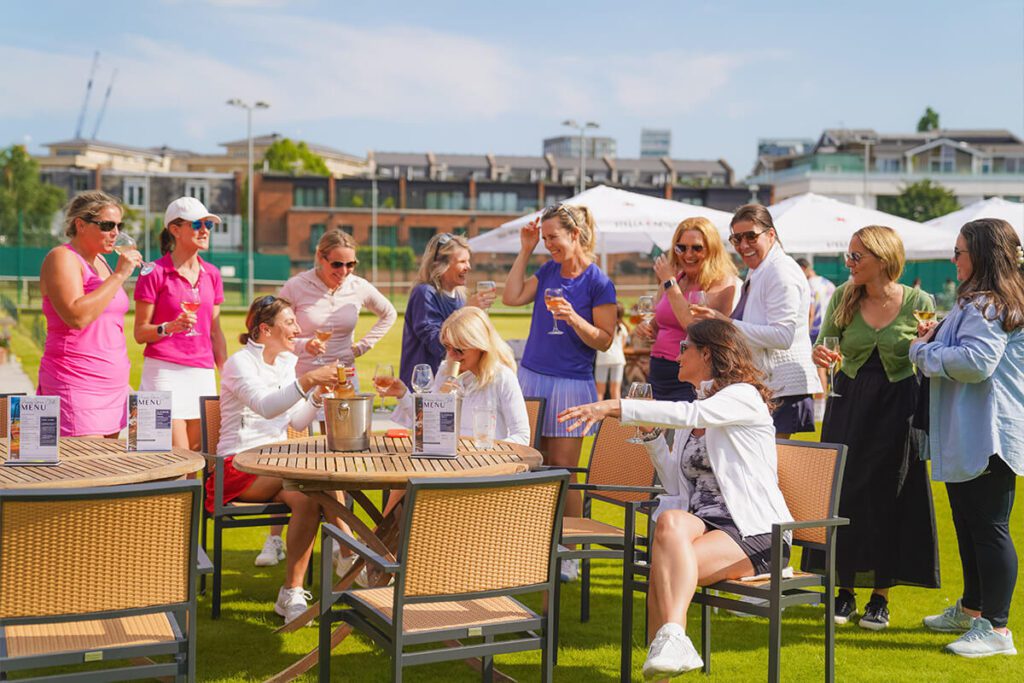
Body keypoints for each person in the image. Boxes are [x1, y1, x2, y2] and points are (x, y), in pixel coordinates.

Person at [557, 318, 793, 680]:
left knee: (663, 570)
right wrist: (653, 437)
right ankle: (674, 640)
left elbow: (693, 415)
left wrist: (615, 406)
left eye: (685, 348)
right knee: (669, 523)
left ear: (708, 354)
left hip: (755, 531)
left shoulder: (741, 396)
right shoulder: (697, 405)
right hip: (705, 524)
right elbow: (674, 483)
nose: (677, 355)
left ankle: (666, 662)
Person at [807, 226, 939, 630]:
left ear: (883, 259)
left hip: (899, 406)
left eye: (855, 256)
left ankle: (880, 597)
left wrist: (926, 341)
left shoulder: (919, 301)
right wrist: (820, 354)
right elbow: (823, 346)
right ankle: (844, 590)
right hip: (848, 403)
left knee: (891, 493)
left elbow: (929, 350)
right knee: (845, 493)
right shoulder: (843, 297)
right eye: (848, 255)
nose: (848, 263)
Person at [910, 218, 1024, 658]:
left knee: (989, 529)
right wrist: (936, 338)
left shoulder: (988, 305)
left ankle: (996, 628)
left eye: (958, 251)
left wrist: (922, 351)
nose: (953, 259)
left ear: (980, 254)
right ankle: (972, 609)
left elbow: (977, 363)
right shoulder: (979, 302)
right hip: (971, 429)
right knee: (970, 525)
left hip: (988, 434)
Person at [207, 295, 343, 624]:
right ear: (265, 330)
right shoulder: (240, 363)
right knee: (315, 477)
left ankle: (291, 593)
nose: (298, 329)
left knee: (309, 500)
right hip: (237, 465)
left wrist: (317, 395)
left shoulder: (286, 362)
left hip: (277, 465)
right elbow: (266, 407)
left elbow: (295, 420)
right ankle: (352, 553)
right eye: (290, 322)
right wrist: (308, 380)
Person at [502, 203, 617, 581]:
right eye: (544, 238)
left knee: (565, 471)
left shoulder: (599, 282)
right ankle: (534, 547)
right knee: (532, 466)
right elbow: (511, 297)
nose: (548, 244)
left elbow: (604, 340)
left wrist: (573, 318)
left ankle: (570, 553)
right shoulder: (547, 270)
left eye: (553, 237)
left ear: (575, 234)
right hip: (532, 378)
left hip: (571, 384)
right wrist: (525, 250)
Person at [693, 204, 820, 438]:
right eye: (737, 239)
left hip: (782, 388)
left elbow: (782, 336)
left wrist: (725, 323)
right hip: (766, 386)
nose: (743, 245)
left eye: (751, 236)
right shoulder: (760, 268)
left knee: (774, 460)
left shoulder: (780, 271)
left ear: (771, 235)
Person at [37, 191, 142, 437]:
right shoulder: (62, 257)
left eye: (119, 226)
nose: (115, 233)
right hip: (77, 382)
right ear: (80, 225)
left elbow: (109, 327)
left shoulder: (102, 262)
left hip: (114, 386)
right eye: (107, 225)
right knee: (88, 460)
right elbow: (76, 317)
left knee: (111, 461)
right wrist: (120, 276)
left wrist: (123, 383)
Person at [134, 197, 228, 451]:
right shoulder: (153, 271)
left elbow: (215, 332)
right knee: (179, 453)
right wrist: (168, 327)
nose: (205, 230)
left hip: (202, 373)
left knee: (200, 454)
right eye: (197, 224)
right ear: (175, 229)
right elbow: (140, 333)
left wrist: (227, 375)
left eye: (208, 224)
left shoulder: (213, 274)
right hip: (164, 372)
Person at [384, 306, 530, 444]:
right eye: (447, 347)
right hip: (448, 456)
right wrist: (403, 394)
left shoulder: (502, 377)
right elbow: (427, 422)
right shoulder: (446, 371)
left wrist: (485, 449)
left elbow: (522, 436)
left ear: (480, 346)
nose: (452, 355)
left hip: (488, 459)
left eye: (459, 350)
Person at [636, 217, 739, 402]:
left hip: (692, 375)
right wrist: (647, 329)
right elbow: (659, 324)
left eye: (697, 248)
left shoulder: (722, 282)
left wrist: (669, 283)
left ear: (712, 249)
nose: (688, 254)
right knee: (652, 420)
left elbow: (695, 329)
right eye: (681, 248)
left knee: (685, 421)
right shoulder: (674, 279)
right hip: (658, 370)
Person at [279, 229, 396, 381]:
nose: (344, 271)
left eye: (351, 264)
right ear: (320, 257)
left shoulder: (359, 286)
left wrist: (362, 346)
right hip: (304, 380)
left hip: (344, 380)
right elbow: (276, 332)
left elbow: (389, 314)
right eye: (337, 264)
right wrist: (304, 345)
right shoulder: (295, 286)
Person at [399, 233, 494, 388]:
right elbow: (437, 345)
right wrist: (467, 311)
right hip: (424, 388)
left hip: (453, 385)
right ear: (441, 265)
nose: (468, 267)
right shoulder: (424, 293)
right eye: (462, 261)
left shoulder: (460, 297)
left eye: (468, 261)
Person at [796, 257, 836, 343]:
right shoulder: (829, 284)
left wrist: (806, 334)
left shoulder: (808, 286)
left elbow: (811, 313)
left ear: (802, 268)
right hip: (831, 329)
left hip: (815, 332)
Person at [595, 302, 629, 400]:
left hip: (603, 358)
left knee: (600, 391)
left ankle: (598, 409)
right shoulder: (622, 328)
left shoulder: (602, 326)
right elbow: (623, 345)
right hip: (618, 359)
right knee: (615, 390)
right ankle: (617, 410)